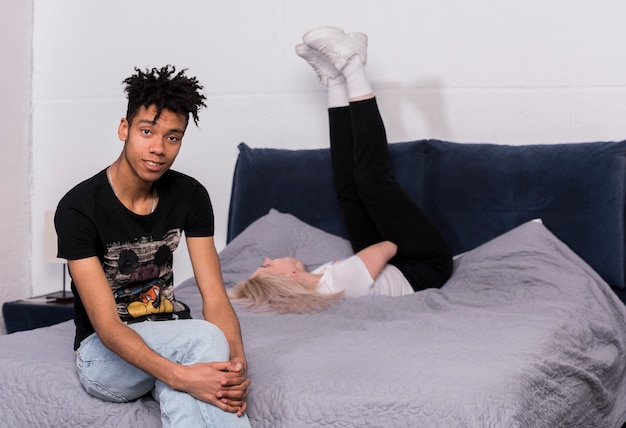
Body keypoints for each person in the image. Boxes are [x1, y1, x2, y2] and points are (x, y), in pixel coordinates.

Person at [55, 65, 251, 427]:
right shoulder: (78, 208)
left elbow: (215, 298)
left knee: (195, 380)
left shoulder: (191, 195)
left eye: (173, 138)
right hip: (103, 356)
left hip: (168, 337)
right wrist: (182, 375)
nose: (158, 148)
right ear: (124, 129)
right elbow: (109, 328)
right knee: (201, 347)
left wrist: (235, 368)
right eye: (147, 132)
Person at [230, 27, 454, 314]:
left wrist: (367, 258)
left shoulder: (322, 280)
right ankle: (352, 65)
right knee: (372, 183)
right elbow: (386, 248)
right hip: (425, 264)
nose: (266, 259)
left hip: (394, 265)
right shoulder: (338, 281)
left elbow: (375, 254)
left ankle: (334, 81)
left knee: (348, 191)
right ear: (291, 278)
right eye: (266, 267)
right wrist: (384, 233)